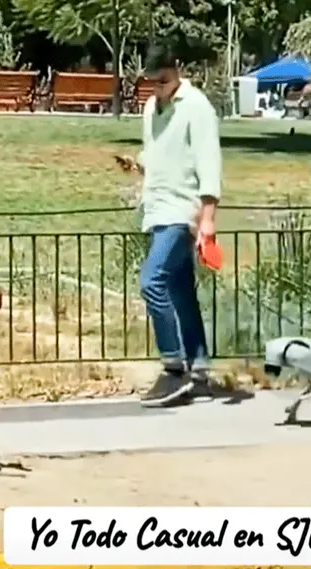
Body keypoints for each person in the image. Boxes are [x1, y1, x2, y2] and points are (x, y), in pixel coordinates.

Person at [119, 44, 222, 408]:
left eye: (163, 81)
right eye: (152, 83)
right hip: (156, 207)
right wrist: (139, 163)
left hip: (182, 212)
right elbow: (160, 150)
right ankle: (200, 371)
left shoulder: (197, 108)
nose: (158, 89)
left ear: (175, 71)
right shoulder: (150, 108)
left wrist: (207, 219)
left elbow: (209, 163)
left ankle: (174, 366)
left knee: (152, 281)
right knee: (180, 292)